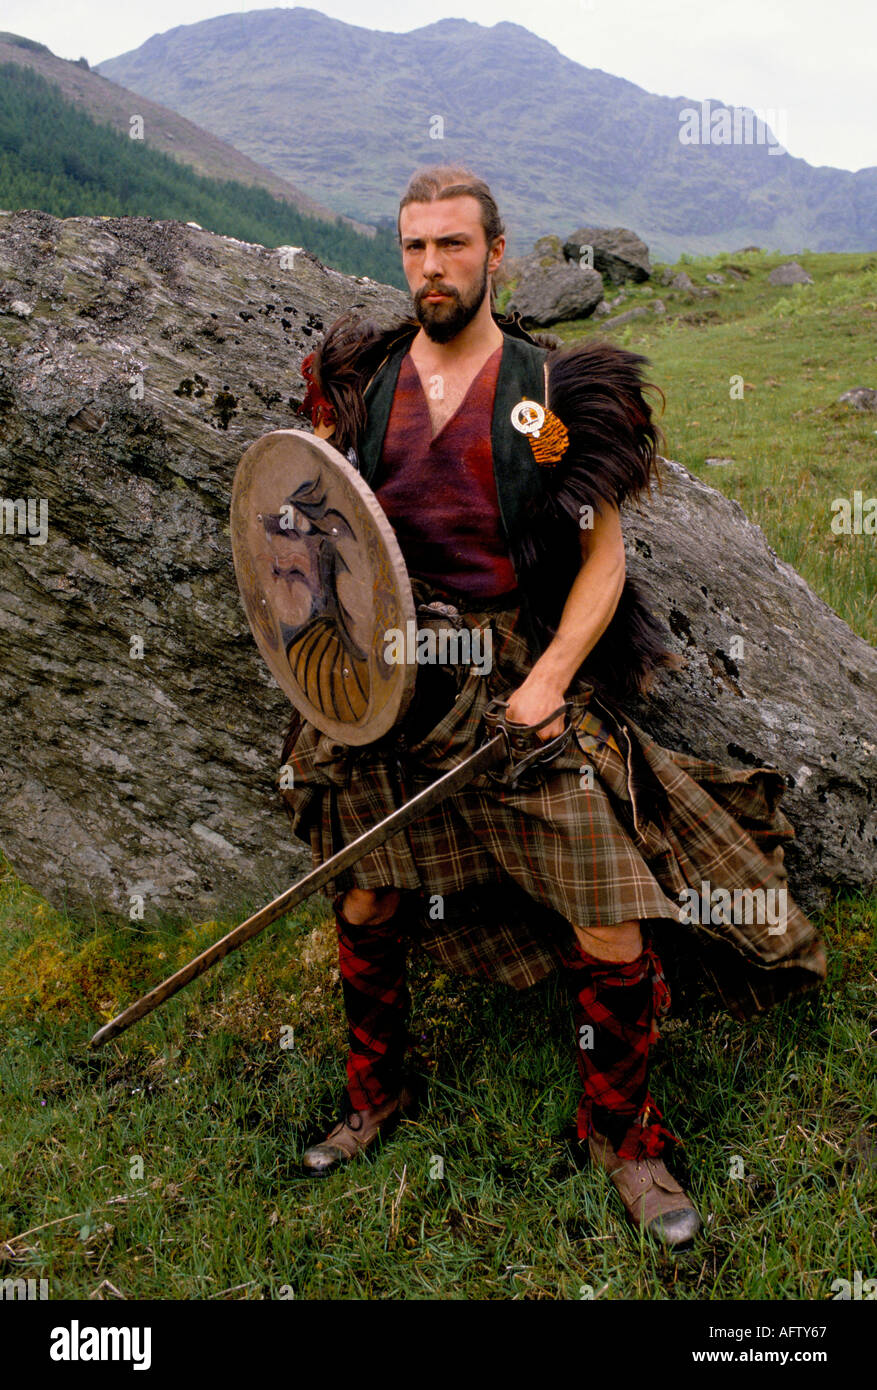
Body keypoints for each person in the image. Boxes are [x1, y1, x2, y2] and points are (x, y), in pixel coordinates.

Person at [281, 165, 826, 1249]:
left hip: (506, 682)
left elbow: (603, 562)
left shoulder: (548, 393)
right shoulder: (366, 383)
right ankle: (373, 1094)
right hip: (386, 681)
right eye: (413, 246)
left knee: (606, 912)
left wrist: (545, 682)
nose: (430, 266)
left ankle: (625, 1135)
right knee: (366, 903)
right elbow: (313, 536)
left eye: (451, 245)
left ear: (494, 252)